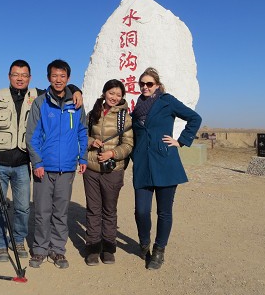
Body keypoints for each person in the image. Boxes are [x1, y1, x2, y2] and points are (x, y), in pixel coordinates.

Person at [0, 59, 83, 262]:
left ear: (30, 78)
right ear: (9, 76)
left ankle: (19, 240)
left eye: (24, 75)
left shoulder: (37, 95)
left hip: (22, 162)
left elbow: (61, 87)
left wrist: (76, 90)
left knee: (23, 207)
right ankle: (1, 243)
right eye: (15, 74)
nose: (20, 78)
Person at [131, 67, 201, 270]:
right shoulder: (137, 106)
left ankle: (159, 251)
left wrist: (181, 141)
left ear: (157, 85)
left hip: (165, 162)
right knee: (141, 211)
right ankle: (144, 242)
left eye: (149, 84)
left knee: (164, 212)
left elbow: (194, 118)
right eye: (142, 84)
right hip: (143, 164)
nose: (145, 87)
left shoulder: (167, 101)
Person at [26, 59, 88, 269]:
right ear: (48, 78)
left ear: (68, 78)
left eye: (62, 76)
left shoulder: (77, 103)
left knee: (61, 212)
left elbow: (82, 132)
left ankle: (58, 250)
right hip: (45, 166)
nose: (58, 80)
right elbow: (32, 136)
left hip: (67, 168)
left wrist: (83, 157)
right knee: (42, 211)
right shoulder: (40, 102)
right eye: (54, 76)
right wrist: (38, 161)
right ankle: (40, 250)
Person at [83, 79, 133, 266]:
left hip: (113, 169)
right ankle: (93, 248)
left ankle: (109, 248)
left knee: (109, 211)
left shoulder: (124, 117)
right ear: (104, 93)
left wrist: (113, 153)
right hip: (92, 168)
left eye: (118, 95)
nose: (114, 97)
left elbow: (128, 144)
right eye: (111, 93)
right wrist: (90, 142)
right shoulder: (92, 113)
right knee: (93, 210)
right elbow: (83, 134)